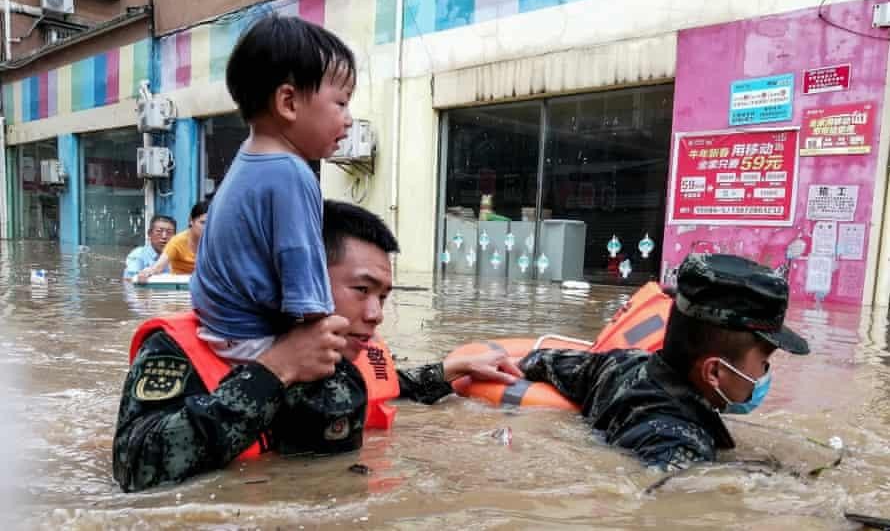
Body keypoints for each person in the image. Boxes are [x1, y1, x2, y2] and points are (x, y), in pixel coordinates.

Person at [113, 200, 520, 492]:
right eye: (361, 290)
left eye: (384, 296)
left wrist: (450, 371)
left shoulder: (350, 349)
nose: (376, 313)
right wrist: (274, 371)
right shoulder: (180, 348)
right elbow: (134, 467)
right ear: (298, 277)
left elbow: (390, 385)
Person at [513, 252, 810, 470]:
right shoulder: (680, 445)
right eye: (764, 362)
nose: (764, 374)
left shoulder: (621, 363)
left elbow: (540, 360)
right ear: (714, 372)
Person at [189, 14, 355, 364]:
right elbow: (306, 287)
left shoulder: (248, 160)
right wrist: (333, 335)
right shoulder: (291, 173)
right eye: (341, 102)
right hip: (253, 341)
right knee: (346, 379)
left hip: (219, 330)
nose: (349, 118)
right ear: (289, 103)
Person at [136, 201, 208, 281]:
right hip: (180, 287)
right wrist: (148, 272)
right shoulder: (177, 241)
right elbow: (158, 266)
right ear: (191, 221)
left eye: (210, 223)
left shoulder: (216, 242)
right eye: (203, 222)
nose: (206, 227)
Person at [123, 215, 176, 280]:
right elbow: (129, 281)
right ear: (149, 234)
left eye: (169, 232)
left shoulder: (177, 255)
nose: (164, 236)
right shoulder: (138, 255)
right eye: (159, 231)